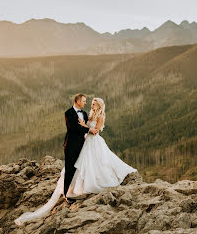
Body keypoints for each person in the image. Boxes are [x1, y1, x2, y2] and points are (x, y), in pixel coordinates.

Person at [14, 96, 136, 226]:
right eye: (90, 103)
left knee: (97, 163)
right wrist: (85, 126)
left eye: (94, 104)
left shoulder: (100, 116)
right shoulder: (86, 114)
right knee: (82, 164)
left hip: (94, 142)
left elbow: (95, 131)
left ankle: (90, 183)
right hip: (85, 142)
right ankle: (71, 190)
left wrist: (85, 126)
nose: (91, 105)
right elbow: (78, 128)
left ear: (99, 106)